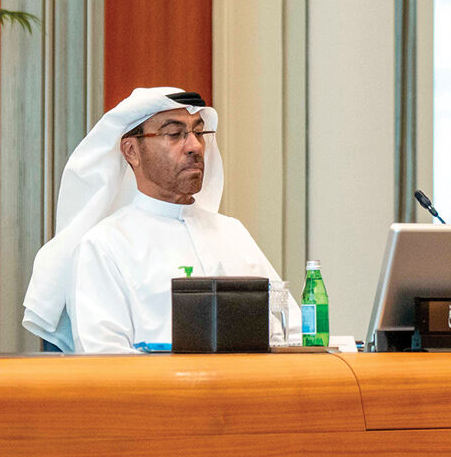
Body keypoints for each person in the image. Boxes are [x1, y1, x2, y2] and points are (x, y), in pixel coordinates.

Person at [21, 87, 301, 353]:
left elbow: (291, 335)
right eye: (175, 134)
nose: (195, 146)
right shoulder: (105, 245)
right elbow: (106, 362)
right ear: (131, 151)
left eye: (199, 132)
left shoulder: (233, 233)